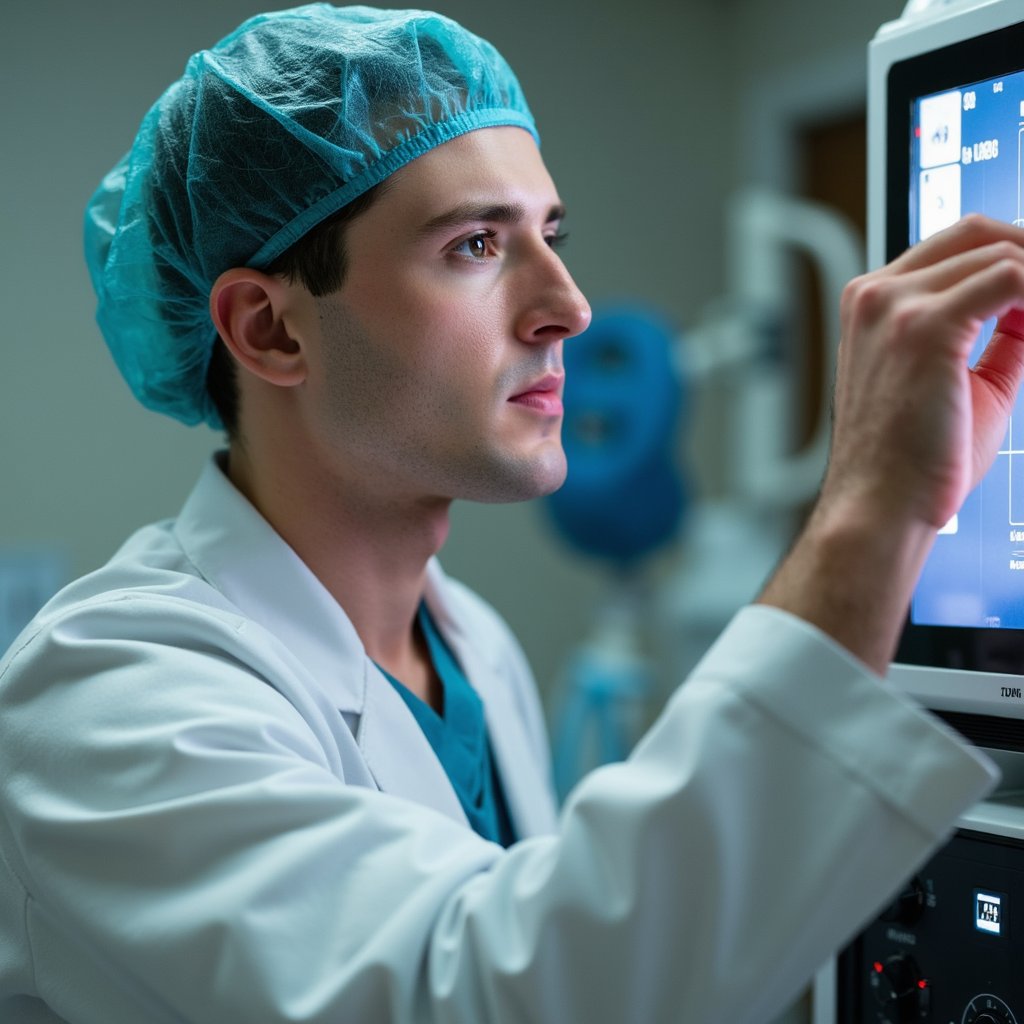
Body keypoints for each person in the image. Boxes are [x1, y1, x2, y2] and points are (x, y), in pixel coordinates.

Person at [2, 5, 1024, 1022]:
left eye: (551, 234)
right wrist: (871, 505)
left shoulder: (471, 647)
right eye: (477, 243)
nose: (570, 306)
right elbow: (500, 993)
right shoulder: (108, 694)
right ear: (269, 330)